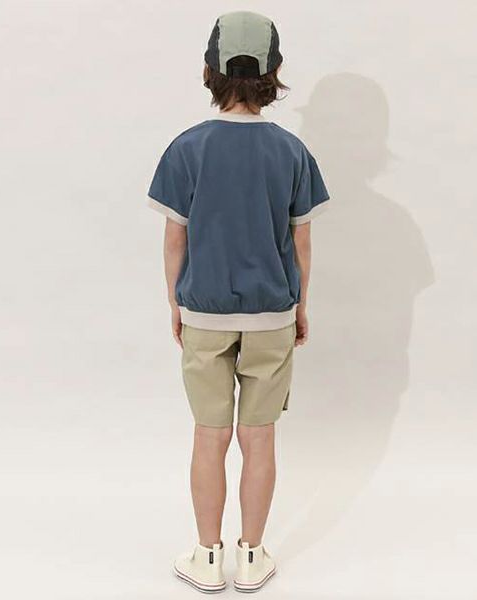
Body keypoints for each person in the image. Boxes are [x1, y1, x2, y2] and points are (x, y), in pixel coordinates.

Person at [146, 10, 330, 593]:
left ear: (210, 70)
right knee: (260, 438)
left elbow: (175, 239)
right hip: (273, 314)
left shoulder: (187, 149)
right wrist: (300, 304)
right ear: (274, 72)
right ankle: (252, 555)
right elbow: (301, 240)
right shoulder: (292, 152)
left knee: (209, 435)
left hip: (203, 313)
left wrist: (176, 303)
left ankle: (207, 555)